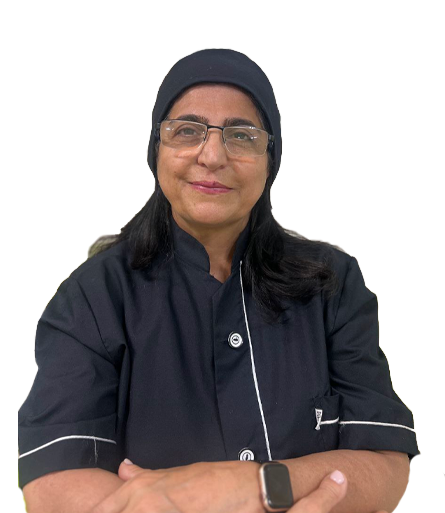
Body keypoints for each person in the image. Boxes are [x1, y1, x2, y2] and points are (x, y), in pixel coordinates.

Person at [16, 49, 419, 513]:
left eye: (241, 135)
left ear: (270, 160)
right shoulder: (93, 296)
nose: (211, 156)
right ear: (157, 150)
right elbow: (52, 478)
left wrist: (259, 485)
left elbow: (386, 464)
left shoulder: (332, 285)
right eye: (187, 131)